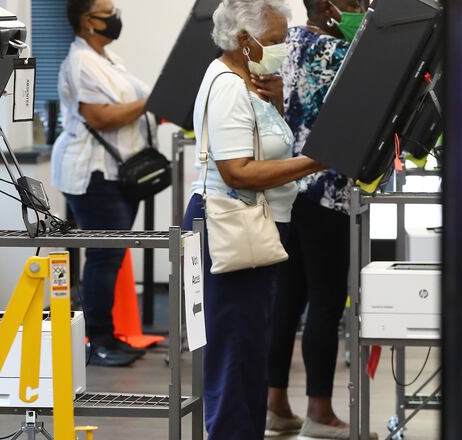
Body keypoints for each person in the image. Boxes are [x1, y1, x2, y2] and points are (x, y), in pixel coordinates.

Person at [182, 0, 327, 437]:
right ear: (245, 41)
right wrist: (313, 162)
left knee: (249, 351)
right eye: (277, 40)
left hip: (255, 224)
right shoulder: (228, 86)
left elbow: (264, 147)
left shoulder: (252, 82)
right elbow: (237, 171)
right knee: (234, 352)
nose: (284, 47)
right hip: (231, 223)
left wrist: (279, 103)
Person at [265, 0, 368, 438]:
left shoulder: (281, 44)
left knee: (286, 301)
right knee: (326, 303)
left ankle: (275, 406)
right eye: (351, 2)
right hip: (328, 191)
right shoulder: (344, 53)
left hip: (286, 189)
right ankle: (320, 413)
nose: (360, 8)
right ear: (326, 6)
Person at [52, 0, 154, 367]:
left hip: (118, 172)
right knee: (103, 255)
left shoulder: (107, 60)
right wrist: (148, 104)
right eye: (108, 12)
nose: (116, 18)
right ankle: (99, 341)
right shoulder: (80, 63)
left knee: (111, 255)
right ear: (88, 22)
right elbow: (101, 116)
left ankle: (108, 335)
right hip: (92, 174)